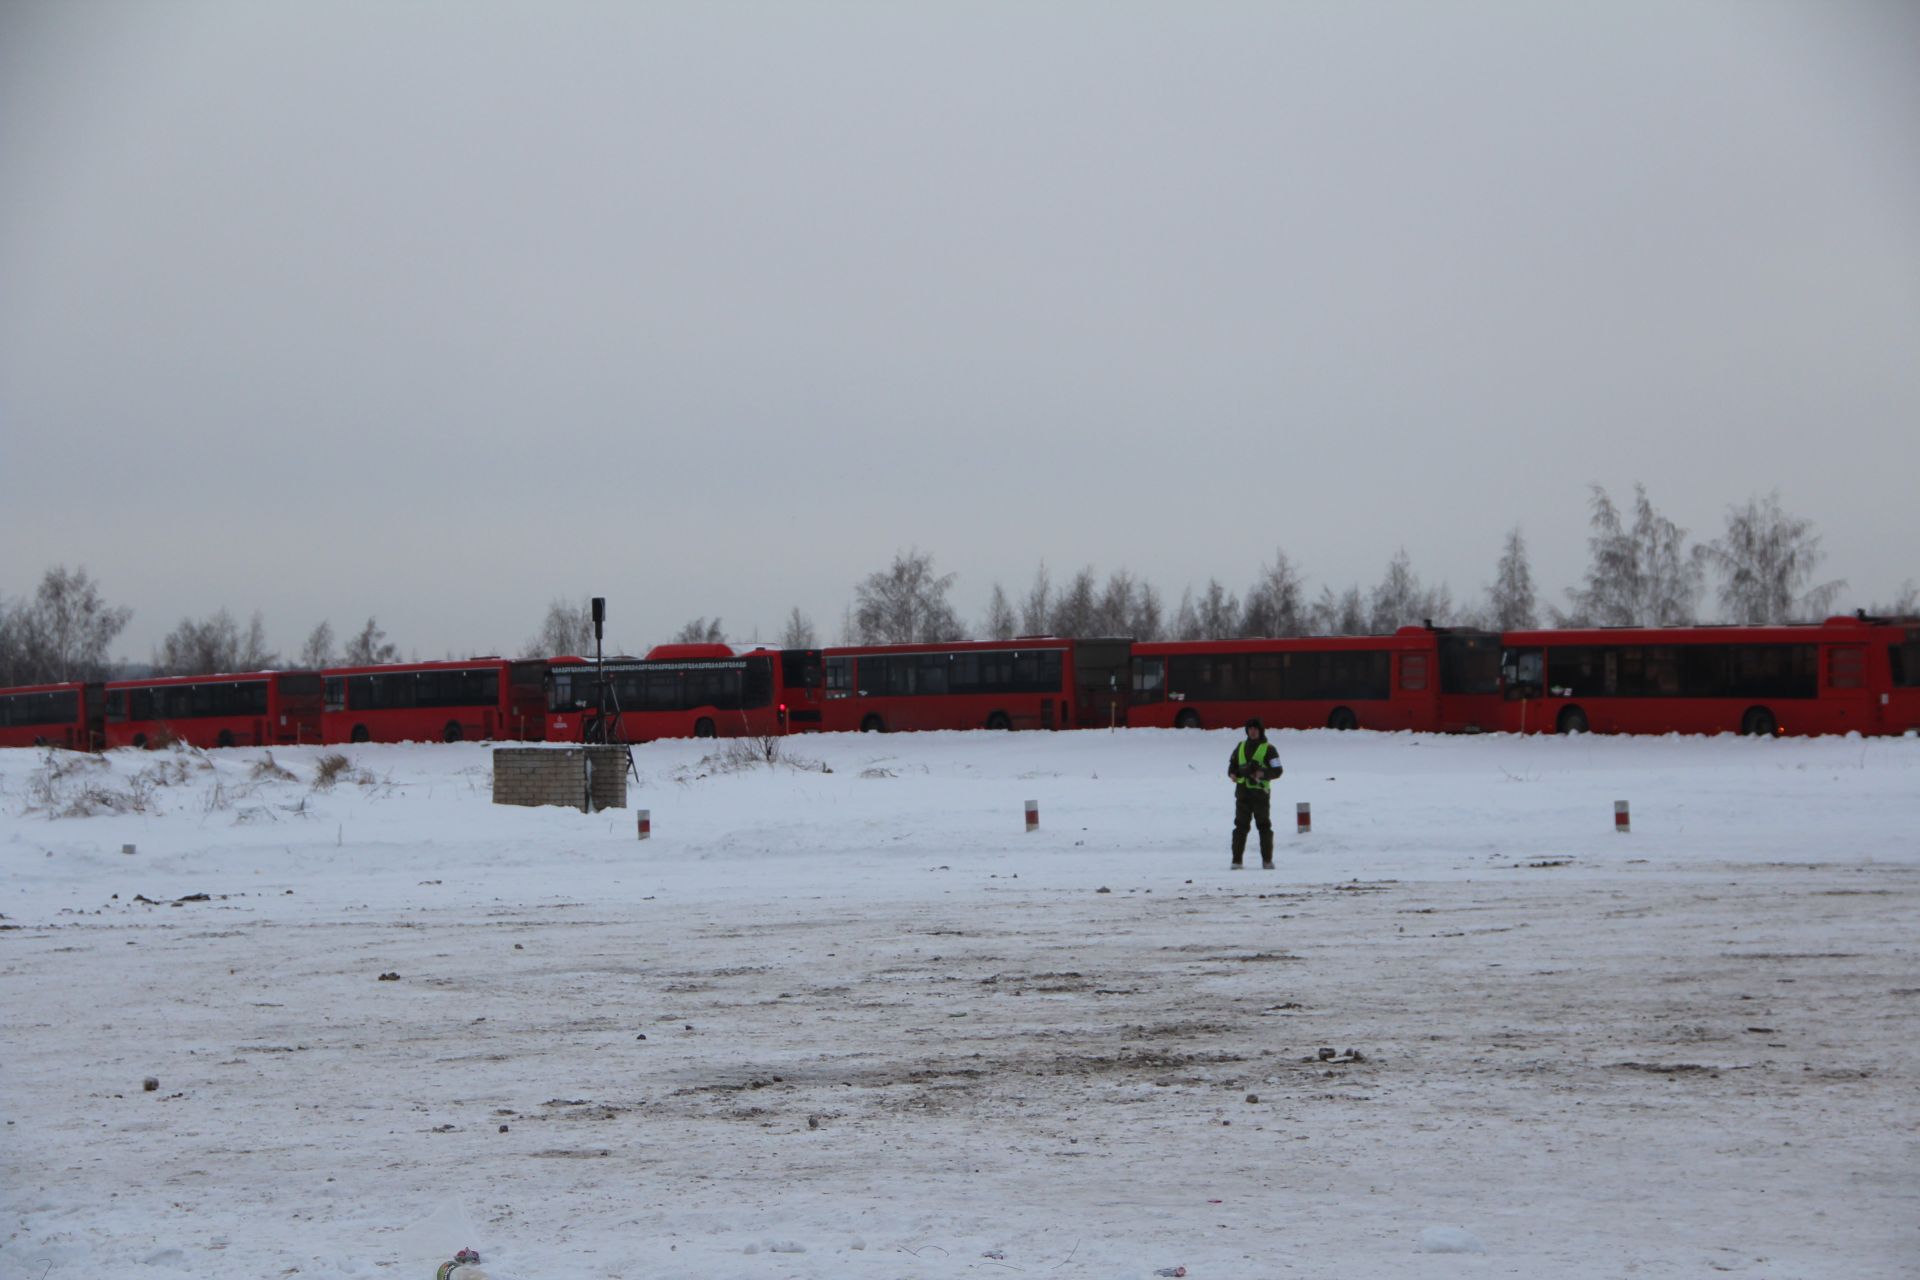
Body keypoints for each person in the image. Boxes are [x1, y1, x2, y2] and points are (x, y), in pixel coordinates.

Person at [1227, 717, 1282, 869]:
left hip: (1260, 794)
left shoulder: (1269, 749)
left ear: (1260, 730)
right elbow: (1232, 767)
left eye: (1255, 729)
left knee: (1264, 826)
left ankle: (1267, 860)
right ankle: (1236, 861)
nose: (1252, 731)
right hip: (1243, 793)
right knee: (1240, 826)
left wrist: (1261, 773)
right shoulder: (1240, 747)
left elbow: (1278, 771)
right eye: (1250, 729)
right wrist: (1234, 774)